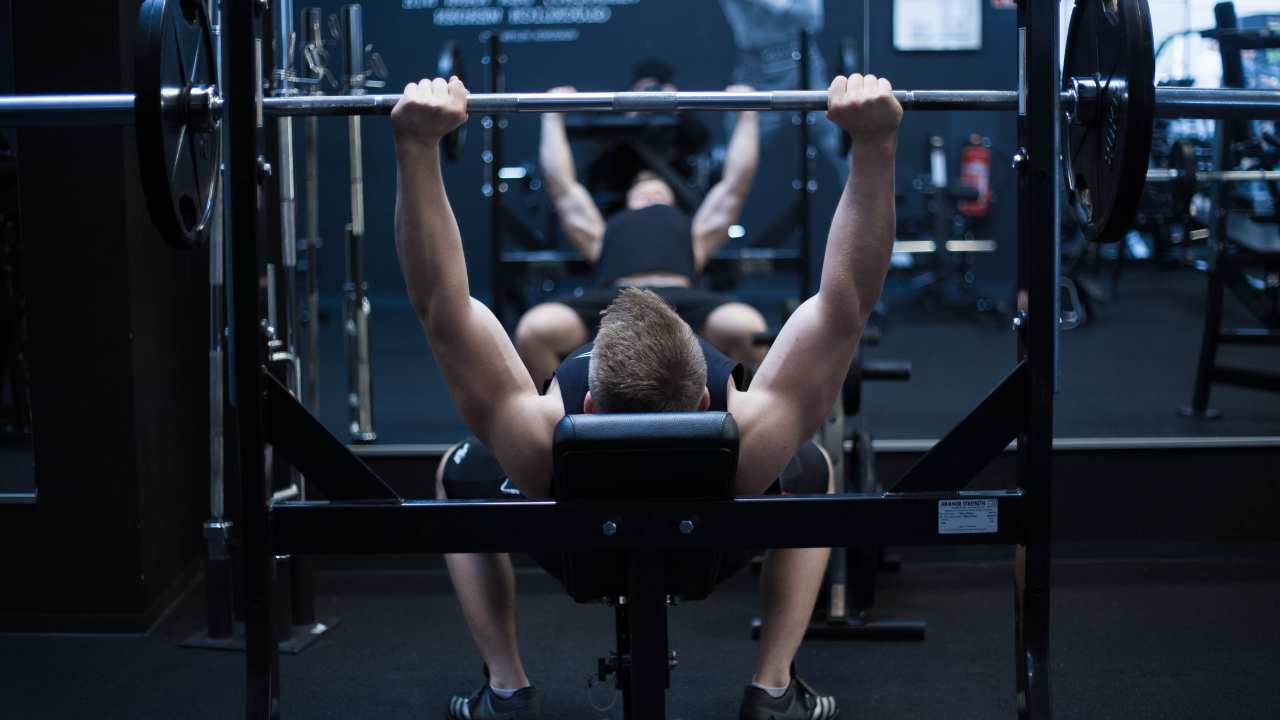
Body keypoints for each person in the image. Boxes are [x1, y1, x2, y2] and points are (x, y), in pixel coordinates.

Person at [391, 72, 901, 720]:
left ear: (589, 405)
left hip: (579, 550)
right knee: (816, 470)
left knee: (454, 473)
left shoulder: (536, 441)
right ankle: (773, 691)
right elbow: (846, 304)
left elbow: (441, 308)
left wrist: (415, 146)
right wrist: (875, 143)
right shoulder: (754, 440)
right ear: (706, 404)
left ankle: (506, 691)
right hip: (708, 550)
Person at [514, 84, 768, 386]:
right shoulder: (601, 233)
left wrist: (748, 116)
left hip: (682, 301)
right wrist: (552, 117)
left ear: (673, 201)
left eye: (659, 189)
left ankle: (738, 420)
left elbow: (735, 186)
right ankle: (559, 421)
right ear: (629, 199)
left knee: (749, 330)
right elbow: (563, 188)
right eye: (642, 189)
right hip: (615, 300)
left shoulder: (695, 232)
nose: (651, 190)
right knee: (534, 331)